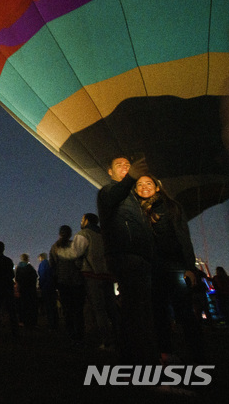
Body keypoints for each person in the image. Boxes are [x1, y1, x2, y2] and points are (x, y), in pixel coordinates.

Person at [134, 175, 205, 363]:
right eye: (139, 184)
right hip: (151, 271)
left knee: (184, 313)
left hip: (175, 269)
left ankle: (197, 356)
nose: (144, 187)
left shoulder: (172, 207)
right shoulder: (135, 212)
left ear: (158, 187)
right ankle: (166, 353)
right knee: (158, 314)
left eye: (148, 183)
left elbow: (183, 238)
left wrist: (190, 268)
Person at [97, 155, 157, 364]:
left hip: (140, 257)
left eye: (127, 165)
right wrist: (131, 177)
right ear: (110, 172)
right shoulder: (108, 192)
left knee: (139, 310)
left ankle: (134, 359)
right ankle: (141, 363)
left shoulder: (133, 199)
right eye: (119, 165)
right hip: (126, 256)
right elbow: (115, 194)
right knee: (135, 310)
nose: (125, 167)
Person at [54, 214, 118, 349]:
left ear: (87, 220)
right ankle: (121, 337)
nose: (81, 221)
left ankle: (107, 341)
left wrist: (61, 252)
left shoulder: (84, 234)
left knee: (99, 310)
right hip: (108, 276)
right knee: (112, 309)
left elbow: (74, 254)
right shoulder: (105, 235)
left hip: (93, 275)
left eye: (82, 219)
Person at [14, 254, 38, 327]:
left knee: (22, 306)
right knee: (31, 306)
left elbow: (17, 279)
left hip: (22, 289)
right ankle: (31, 322)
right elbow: (35, 277)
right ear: (27, 259)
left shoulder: (18, 268)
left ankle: (22, 321)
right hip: (30, 290)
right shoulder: (30, 268)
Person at [37, 253, 58, 330]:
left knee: (48, 306)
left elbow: (42, 276)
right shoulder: (50, 264)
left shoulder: (42, 264)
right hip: (52, 287)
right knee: (53, 305)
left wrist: (41, 285)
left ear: (41, 257)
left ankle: (51, 324)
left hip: (46, 287)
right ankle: (56, 322)